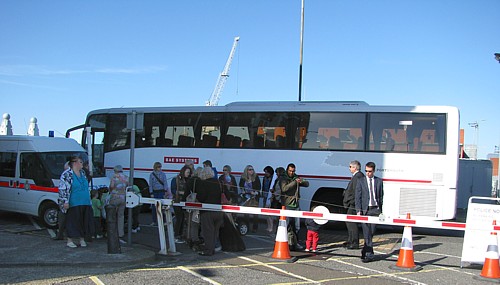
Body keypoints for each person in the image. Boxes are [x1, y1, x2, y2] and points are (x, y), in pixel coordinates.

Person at [58, 156, 94, 248]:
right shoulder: (67, 174)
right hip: (74, 201)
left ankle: (82, 239)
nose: (82, 164)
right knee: (73, 221)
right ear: (74, 163)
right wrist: (65, 201)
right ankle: (70, 240)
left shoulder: (83, 173)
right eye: (80, 162)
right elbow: (63, 189)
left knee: (84, 221)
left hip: (85, 201)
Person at [355, 161, 384, 263]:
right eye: (366, 171)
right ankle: (370, 255)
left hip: (375, 209)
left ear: (374, 171)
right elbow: (357, 197)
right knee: (366, 233)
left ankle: (364, 251)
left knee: (370, 233)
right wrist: (358, 210)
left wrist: (381, 210)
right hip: (365, 210)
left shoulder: (379, 181)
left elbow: (381, 196)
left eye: (370, 171)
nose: (368, 173)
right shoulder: (360, 181)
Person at [280, 163, 309, 250]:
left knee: (297, 226)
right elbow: (284, 189)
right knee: (287, 225)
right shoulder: (283, 178)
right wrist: (294, 182)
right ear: (287, 170)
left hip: (296, 205)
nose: (292, 173)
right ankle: (287, 243)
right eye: (290, 171)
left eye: (293, 171)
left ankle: (296, 243)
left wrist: (301, 181)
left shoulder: (296, 177)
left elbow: (307, 184)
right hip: (287, 204)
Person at [196, 167, 224, 256]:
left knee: (208, 233)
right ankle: (212, 249)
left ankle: (208, 250)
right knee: (215, 232)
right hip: (218, 211)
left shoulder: (203, 183)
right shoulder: (218, 182)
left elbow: (201, 197)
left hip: (207, 211)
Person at [343, 160, 364, 250]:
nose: (349, 168)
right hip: (353, 203)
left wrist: (351, 201)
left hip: (354, 204)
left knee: (352, 223)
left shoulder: (358, 176)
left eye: (350, 166)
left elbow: (357, 191)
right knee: (349, 222)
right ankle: (350, 240)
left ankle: (354, 242)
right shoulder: (356, 176)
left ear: (355, 167)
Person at [171, 165, 192, 243]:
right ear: (183, 171)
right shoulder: (176, 179)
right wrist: (180, 193)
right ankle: (176, 234)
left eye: (189, 173)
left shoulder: (188, 180)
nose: (188, 174)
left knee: (183, 218)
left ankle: (180, 234)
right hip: (177, 201)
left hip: (184, 201)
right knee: (179, 218)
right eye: (187, 172)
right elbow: (173, 189)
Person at [109, 165, 129, 242]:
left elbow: (111, 186)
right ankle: (120, 234)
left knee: (112, 215)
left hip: (115, 197)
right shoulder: (126, 177)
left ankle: (112, 233)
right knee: (121, 216)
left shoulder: (114, 177)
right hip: (123, 197)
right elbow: (128, 186)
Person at [239, 164, 261, 233]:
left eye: (252, 169)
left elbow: (259, 187)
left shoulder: (256, 177)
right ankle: (247, 226)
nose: (251, 171)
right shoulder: (243, 177)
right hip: (246, 197)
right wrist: (243, 190)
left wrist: (254, 192)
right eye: (250, 169)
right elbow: (241, 185)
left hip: (254, 197)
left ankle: (255, 227)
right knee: (246, 214)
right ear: (247, 171)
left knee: (255, 214)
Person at [53, 161, 70, 240]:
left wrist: (65, 201)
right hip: (70, 201)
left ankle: (60, 235)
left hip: (65, 202)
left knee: (62, 219)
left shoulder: (66, 175)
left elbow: (63, 190)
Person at [262, 166, 276, 233]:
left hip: (269, 196)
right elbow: (263, 187)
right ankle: (268, 226)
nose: (265, 173)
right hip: (265, 195)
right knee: (266, 212)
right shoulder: (264, 178)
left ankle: (271, 227)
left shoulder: (273, 179)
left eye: (267, 172)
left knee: (269, 213)